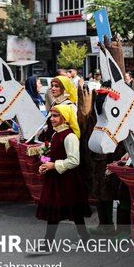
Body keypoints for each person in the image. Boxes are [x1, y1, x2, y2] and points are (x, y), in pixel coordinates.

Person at [33, 105, 91, 254]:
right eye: (51, 115)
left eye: (56, 116)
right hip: (56, 177)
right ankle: (83, 237)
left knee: (71, 209)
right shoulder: (55, 134)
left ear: (65, 118)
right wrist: (45, 164)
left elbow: (74, 160)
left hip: (67, 179)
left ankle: (49, 244)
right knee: (61, 209)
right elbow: (52, 153)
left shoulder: (69, 136)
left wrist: (54, 165)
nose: (52, 119)